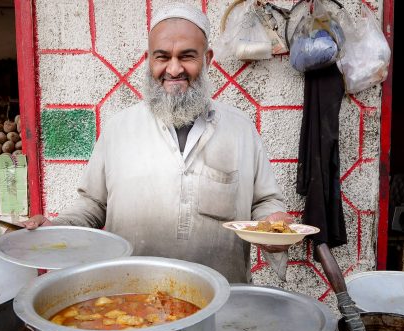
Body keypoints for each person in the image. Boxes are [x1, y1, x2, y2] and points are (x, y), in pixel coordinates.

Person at [22, 3, 292, 283]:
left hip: (222, 302)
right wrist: (54, 229)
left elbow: (264, 201)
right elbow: (92, 205)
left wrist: (274, 223)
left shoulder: (241, 130)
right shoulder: (118, 130)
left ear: (207, 59)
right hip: (130, 304)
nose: (174, 69)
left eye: (187, 56)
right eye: (162, 57)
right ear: (149, 59)